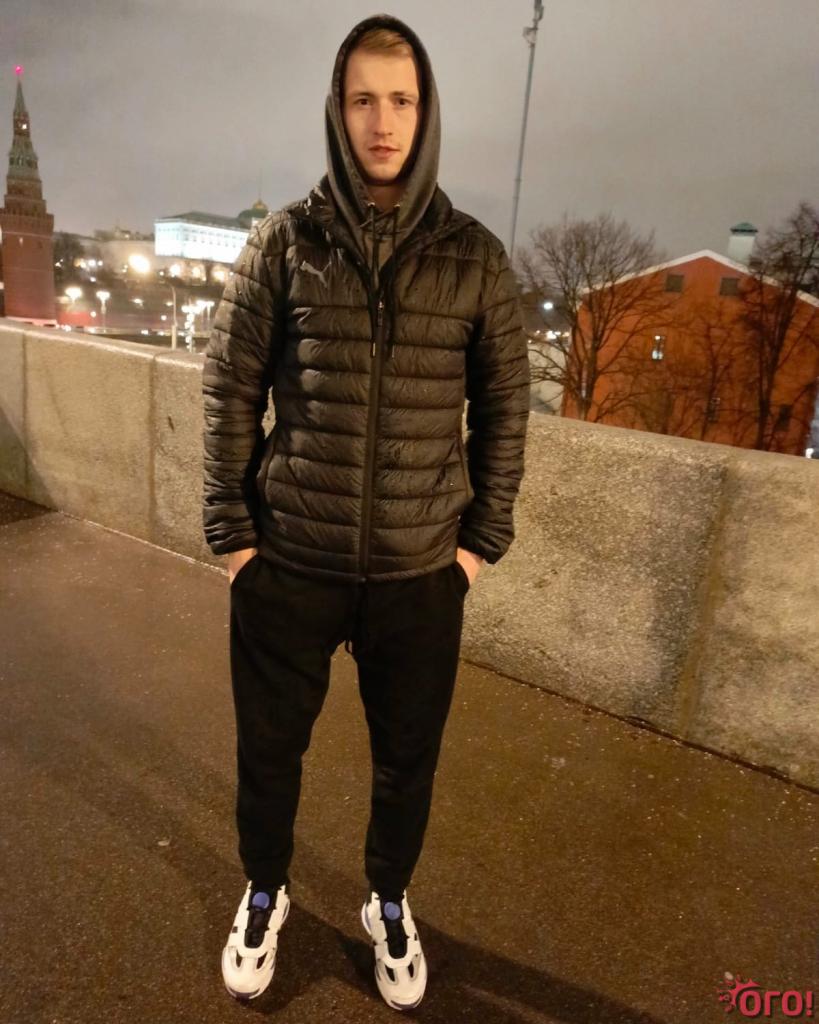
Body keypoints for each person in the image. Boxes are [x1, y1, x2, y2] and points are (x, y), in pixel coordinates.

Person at [202, 12, 530, 1012]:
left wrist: (475, 549)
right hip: (290, 562)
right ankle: (265, 889)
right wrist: (236, 539)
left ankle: (388, 899)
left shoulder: (475, 258)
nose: (382, 122)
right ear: (336, 111)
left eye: (401, 100)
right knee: (269, 754)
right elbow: (230, 388)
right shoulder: (283, 243)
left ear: (425, 114)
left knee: (405, 766)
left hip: (418, 575)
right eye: (362, 100)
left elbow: (506, 409)